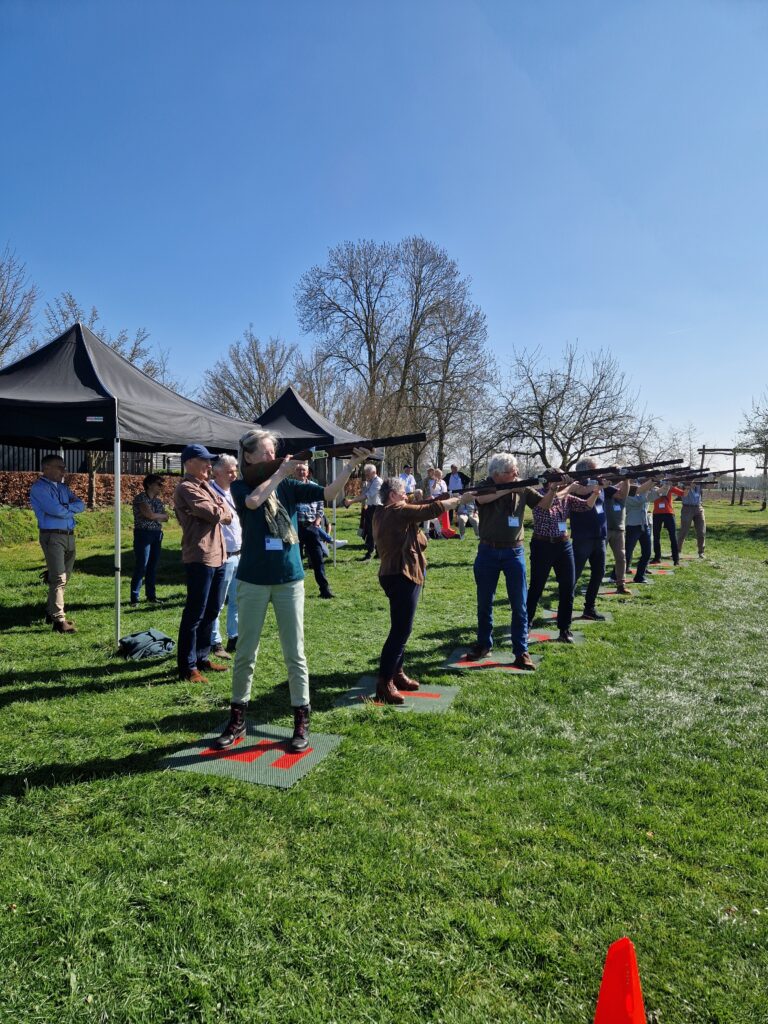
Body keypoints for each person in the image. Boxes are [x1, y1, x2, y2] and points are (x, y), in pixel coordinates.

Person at [214, 429, 372, 752]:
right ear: (249, 457)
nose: (274, 458)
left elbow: (328, 494)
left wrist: (351, 465)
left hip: (289, 579)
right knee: (245, 653)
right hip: (253, 579)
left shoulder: (287, 484)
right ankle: (237, 718)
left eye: (275, 453)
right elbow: (255, 502)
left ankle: (301, 719)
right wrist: (281, 472)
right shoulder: (244, 484)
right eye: (267, 453)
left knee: (295, 653)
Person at [372, 477, 463, 703]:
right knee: (400, 632)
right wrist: (458, 500)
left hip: (395, 574)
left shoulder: (385, 512)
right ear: (392, 495)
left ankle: (397, 673)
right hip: (402, 575)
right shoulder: (397, 511)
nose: (407, 495)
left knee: (401, 629)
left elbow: (420, 536)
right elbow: (430, 510)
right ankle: (384, 683)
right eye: (403, 492)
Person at [468, 452, 551, 669]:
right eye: (510, 472)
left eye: (514, 471)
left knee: (519, 604)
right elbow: (481, 498)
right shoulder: (485, 485)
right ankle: (484, 644)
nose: (516, 473)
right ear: (497, 475)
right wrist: (509, 489)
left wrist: (553, 490)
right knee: (485, 602)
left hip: (514, 552)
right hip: (488, 551)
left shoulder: (521, 485)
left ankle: (521, 650)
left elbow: (543, 505)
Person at [173, 444, 233, 683]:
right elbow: (216, 514)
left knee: (212, 610)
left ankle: (201, 657)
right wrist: (220, 510)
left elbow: (228, 512)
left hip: (218, 555)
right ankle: (187, 667)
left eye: (210, 461)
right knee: (195, 613)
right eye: (204, 461)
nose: (210, 465)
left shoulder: (206, 486)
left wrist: (220, 510)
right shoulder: (186, 488)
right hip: (200, 556)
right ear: (189, 463)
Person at [526, 477, 600, 642]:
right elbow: (549, 504)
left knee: (568, 588)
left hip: (563, 545)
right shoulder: (539, 495)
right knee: (536, 587)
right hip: (542, 545)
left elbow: (586, 505)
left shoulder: (567, 496)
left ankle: (564, 629)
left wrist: (596, 492)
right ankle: (526, 624)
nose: (566, 484)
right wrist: (565, 489)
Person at [29, 454, 85, 633]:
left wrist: (65, 509)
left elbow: (81, 505)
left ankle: (51, 610)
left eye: (64, 467)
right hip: (53, 536)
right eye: (59, 467)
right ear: (46, 468)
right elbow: (54, 510)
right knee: (59, 578)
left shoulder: (63, 488)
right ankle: (59, 621)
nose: (64, 470)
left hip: (69, 535)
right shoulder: (39, 488)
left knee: (64, 576)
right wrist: (68, 509)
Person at [568, 458, 612, 620]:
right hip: (582, 537)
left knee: (598, 573)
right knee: (574, 575)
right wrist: (598, 485)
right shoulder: (575, 486)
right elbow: (583, 491)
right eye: (595, 471)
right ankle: (566, 608)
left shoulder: (597, 485)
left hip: (599, 536)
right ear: (585, 471)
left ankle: (589, 608)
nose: (598, 473)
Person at [209, 455, 243, 657]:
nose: (234, 474)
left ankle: (234, 636)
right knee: (218, 602)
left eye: (235, 470)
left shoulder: (235, 492)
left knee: (237, 599)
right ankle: (215, 641)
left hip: (239, 552)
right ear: (217, 471)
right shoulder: (211, 491)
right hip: (223, 554)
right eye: (229, 471)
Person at [294, 461, 334, 599]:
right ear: (294, 472)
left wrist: (317, 521)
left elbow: (321, 506)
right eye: (298, 470)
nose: (301, 472)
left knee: (318, 559)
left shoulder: (315, 487)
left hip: (311, 527)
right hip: (295, 528)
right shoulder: (290, 487)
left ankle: (324, 589)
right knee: (295, 560)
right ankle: (296, 589)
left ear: (308, 472)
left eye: (303, 470)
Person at [130, 473, 169, 605]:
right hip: (143, 534)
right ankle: (134, 598)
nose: (161, 487)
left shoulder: (158, 501)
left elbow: (166, 517)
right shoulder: (141, 498)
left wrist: (156, 516)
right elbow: (150, 515)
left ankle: (151, 597)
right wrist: (157, 516)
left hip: (156, 534)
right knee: (142, 565)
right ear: (149, 484)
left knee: (152, 566)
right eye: (159, 484)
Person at [344, 462, 382, 559]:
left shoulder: (377, 481)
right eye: (365, 474)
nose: (366, 476)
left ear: (374, 472)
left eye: (367, 474)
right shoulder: (369, 482)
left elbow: (366, 495)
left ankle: (374, 552)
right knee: (370, 531)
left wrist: (351, 502)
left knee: (375, 531)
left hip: (377, 509)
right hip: (370, 508)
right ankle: (374, 551)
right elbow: (363, 495)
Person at [649, 483, 685, 565]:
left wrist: (688, 486)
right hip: (657, 514)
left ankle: (676, 559)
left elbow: (683, 493)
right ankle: (657, 557)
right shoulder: (654, 488)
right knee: (656, 536)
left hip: (669, 513)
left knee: (673, 536)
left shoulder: (669, 487)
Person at [625, 488, 654, 583]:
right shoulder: (629, 495)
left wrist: (665, 486)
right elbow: (640, 501)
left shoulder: (644, 494)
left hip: (644, 525)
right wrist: (647, 489)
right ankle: (615, 575)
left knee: (647, 552)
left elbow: (656, 496)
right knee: (627, 553)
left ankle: (640, 576)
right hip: (633, 525)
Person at [678, 483, 706, 558]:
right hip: (687, 508)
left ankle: (701, 552)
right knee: (684, 530)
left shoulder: (699, 483)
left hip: (698, 507)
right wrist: (689, 484)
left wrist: (715, 477)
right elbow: (681, 490)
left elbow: (710, 486)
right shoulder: (684, 482)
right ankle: (677, 551)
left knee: (701, 531)